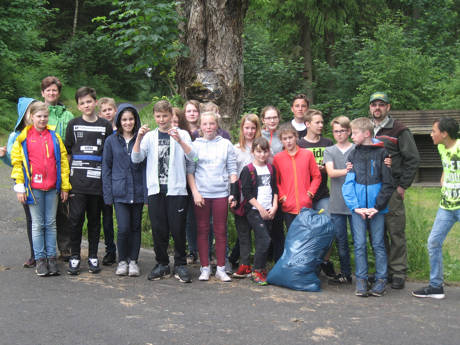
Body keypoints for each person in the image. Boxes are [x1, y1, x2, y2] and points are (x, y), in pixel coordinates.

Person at [132, 100, 194, 283]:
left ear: (171, 116)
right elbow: (136, 159)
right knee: (159, 229)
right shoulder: (150, 137)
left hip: (177, 191)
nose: (161, 120)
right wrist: (138, 138)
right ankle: (162, 264)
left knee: (178, 229)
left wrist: (180, 141)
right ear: (154, 116)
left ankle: (181, 264)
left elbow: (194, 156)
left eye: (165, 116)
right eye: (158, 116)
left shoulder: (182, 134)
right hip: (156, 190)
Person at [11, 101, 71, 276]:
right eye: (39, 116)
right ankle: (40, 260)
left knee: (51, 224)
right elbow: (17, 164)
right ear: (31, 117)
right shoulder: (23, 138)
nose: (42, 119)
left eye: (45, 116)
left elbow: (63, 163)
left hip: (52, 188)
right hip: (33, 189)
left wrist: (65, 187)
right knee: (38, 224)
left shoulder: (54, 137)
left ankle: (52, 259)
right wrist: (20, 187)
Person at [370, 92, 420, 289]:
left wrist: (402, 185)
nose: (377, 108)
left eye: (381, 104)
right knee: (377, 232)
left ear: (388, 107)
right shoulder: (367, 129)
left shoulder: (399, 129)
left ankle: (398, 272)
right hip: (372, 189)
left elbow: (413, 158)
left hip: (391, 189)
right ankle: (383, 271)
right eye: (374, 105)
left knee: (395, 230)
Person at [342, 117, 394, 297]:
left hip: (376, 209)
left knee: (378, 243)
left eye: (354, 133)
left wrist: (377, 207)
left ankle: (381, 280)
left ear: (366, 134)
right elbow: (348, 184)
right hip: (358, 210)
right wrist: (355, 207)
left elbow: (388, 183)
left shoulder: (382, 154)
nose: (351, 135)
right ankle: (361, 279)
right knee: (359, 244)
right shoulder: (353, 154)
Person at [65, 87, 113, 275]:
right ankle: (75, 256)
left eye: (89, 101)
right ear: (78, 106)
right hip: (77, 182)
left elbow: (108, 154)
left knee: (94, 221)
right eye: (82, 103)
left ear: (95, 102)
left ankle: (93, 255)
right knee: (75, 220)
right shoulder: (73, 125)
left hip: (98, 183)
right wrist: (66, 182)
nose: (86, 105)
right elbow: (68, 153)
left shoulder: (105, 126)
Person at [187, 111, 238, 282]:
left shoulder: (226, 144)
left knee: (221, 230)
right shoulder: (195, 145)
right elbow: (190, 171)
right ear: (200, 126)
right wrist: (195, 192)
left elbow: (232, 170)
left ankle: (221, 268)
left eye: (212, 124)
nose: (209, 127)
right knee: (202, 230)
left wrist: (232, 193)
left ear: (217, 125)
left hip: (221, 194)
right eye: (205, 124)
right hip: (202, 194)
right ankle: (205, 267)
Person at [412, 117, 459, 299]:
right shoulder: (440, 148)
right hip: (446, 206)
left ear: (445, 133)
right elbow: (447, 166)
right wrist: (443, 177)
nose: (431, 135)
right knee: (433, 242)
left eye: (434, 131)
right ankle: (436, 286)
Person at [103, 104, 146, 277]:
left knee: (136, 227)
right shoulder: (111, 141)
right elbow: (106, 168)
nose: (128, 122)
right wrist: (108, 194)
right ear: (119, 121)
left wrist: (147, 194)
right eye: (124, 119)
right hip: (119, 191)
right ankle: (122, 260)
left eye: (131, 119)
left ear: (135, 120)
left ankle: (133, 261)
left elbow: (146, 168)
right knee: (123, 228)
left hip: (138, 191)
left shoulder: (142, 139)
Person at [298, 109, 336, 278]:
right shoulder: (300, 144)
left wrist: (325, 169)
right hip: (304, 194)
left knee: (329, 226)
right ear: (307, 124)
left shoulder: (328, 143)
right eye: (317, 122)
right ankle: (305, 262)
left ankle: (325, 261)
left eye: (322, 122)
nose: (321, 125)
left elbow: (335, 165)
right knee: (305, 230)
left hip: (323, 194)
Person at [41, 76, 75, 261]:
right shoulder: (38, 112)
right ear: (42, 93)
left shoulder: (67, 115)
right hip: (42, 169)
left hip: (62, 167)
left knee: (63, 210)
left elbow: (71, 143)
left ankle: (65, 249)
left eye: (54, 90)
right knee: (43, 214)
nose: (52, 93)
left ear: (59, 93)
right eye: (48, 90)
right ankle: (43, 251)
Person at [0, 97, 36, 268]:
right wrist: (3, 156)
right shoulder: (15, 135)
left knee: (44, 219)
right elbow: (11, 162)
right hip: (24, 181)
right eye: (31, 111)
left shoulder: (43, 132)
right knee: (31, 218)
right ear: (24, 114)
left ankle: (46, 253)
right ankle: (34, 254)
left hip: (43, 180)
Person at [240, 137, 278, 285]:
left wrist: (274, 206)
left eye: (265, 152)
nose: (262, 155)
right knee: (264, 239)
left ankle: (261, 268)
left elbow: (275, 188)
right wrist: (261, 209)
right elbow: (247, 193)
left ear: (268, 152)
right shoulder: (248, 170)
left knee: (264, 239)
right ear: (253, 152)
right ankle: (256, 270)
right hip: (255, 211)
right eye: (259, 152)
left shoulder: (271, 168)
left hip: (270, 209)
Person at [324, 116, 355, 284]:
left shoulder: (357, 149)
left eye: (342, 131)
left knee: (358, 241)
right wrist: (348, 170)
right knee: (341, 241)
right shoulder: (330, 151)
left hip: (355, 203)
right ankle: (345, 273)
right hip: (337, 203)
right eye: (336, 131)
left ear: (349, 131)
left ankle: (363, 274)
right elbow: (331, 172)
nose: (339, 134)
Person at [273, 123, 321, 230]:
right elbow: (276, 181)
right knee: (293, 237)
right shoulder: (278, 158)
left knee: (307, 236)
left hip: (305, 205)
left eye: (290, 137)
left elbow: (317, 176)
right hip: (288, 206)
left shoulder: (307, 155)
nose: (288, 141)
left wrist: (310, 192)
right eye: (285, 139)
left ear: (296, 137)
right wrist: (282, 197)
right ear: (281, 141)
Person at [232, 114, 261, 278]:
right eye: (247, 128)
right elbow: (232, 175)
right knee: (243, 233)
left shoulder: (262, 148)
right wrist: (233, 196)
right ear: (242, 129)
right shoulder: (236, 149)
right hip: (242, 198)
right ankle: (244, 264)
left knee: (258, 233)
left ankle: (259, 265)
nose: (250, 131)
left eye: (253, 128)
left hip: (259, 199)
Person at [260, 105, 284, 262]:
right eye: (268, 118)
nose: (272, 120)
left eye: (274, 117)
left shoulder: (283, 135)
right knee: (261, 222)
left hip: (281, 181)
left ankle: (279, 259)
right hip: (262, 182)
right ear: (263, 120)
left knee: (277, 224)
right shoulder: (259, 134)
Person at [97, 97, 118, 266]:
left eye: (110, 109)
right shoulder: (98, 129)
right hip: (100, 177)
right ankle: (109, 249)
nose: (108, 113)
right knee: (106, 218)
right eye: (104, 110)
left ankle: (121, 250)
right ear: (100, 113)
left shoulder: (122, 128)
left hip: (117, 178)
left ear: (115, 110)